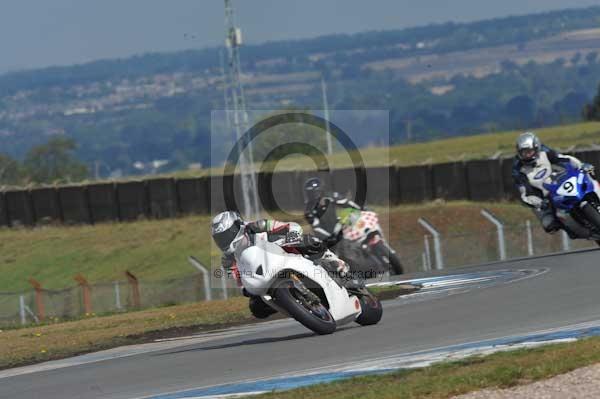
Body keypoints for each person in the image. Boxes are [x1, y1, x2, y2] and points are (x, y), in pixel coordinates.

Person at [210, 211, 361, 319]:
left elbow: (291, 227)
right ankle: (295, 306)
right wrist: (245, 288)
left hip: (285, 251)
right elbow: (239, 280)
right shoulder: (228, 260)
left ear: (237, 226)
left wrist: (290, 238)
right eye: (220, 239)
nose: (224, 241)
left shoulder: (256, 226)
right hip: (266, 275)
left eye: (226, 235)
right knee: (256, 308)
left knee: (310, 242)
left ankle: (338, 265)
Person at [512, 131, 594, 235]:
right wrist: (539, 202)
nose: (527, 155)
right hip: (547, 199)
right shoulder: (518, 170)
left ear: (536, 148)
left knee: (591, 182)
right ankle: (580, 232)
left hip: (562, 183)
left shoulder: (545, 153)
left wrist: (581, 165)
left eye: (529, 151)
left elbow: (564, 159)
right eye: (524, 152)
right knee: (549, 225)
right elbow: (525, 193)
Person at [303, 177, 362, 245]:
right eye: (309, 193)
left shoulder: (329, 197)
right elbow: (317, 228)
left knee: (353, 216)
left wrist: (361, 209)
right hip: (326, 238)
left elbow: (345, 202)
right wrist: (331, 238)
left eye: (313, 193)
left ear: (320, 192)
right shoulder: (308, 210)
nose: (311, 196)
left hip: (338, 228)